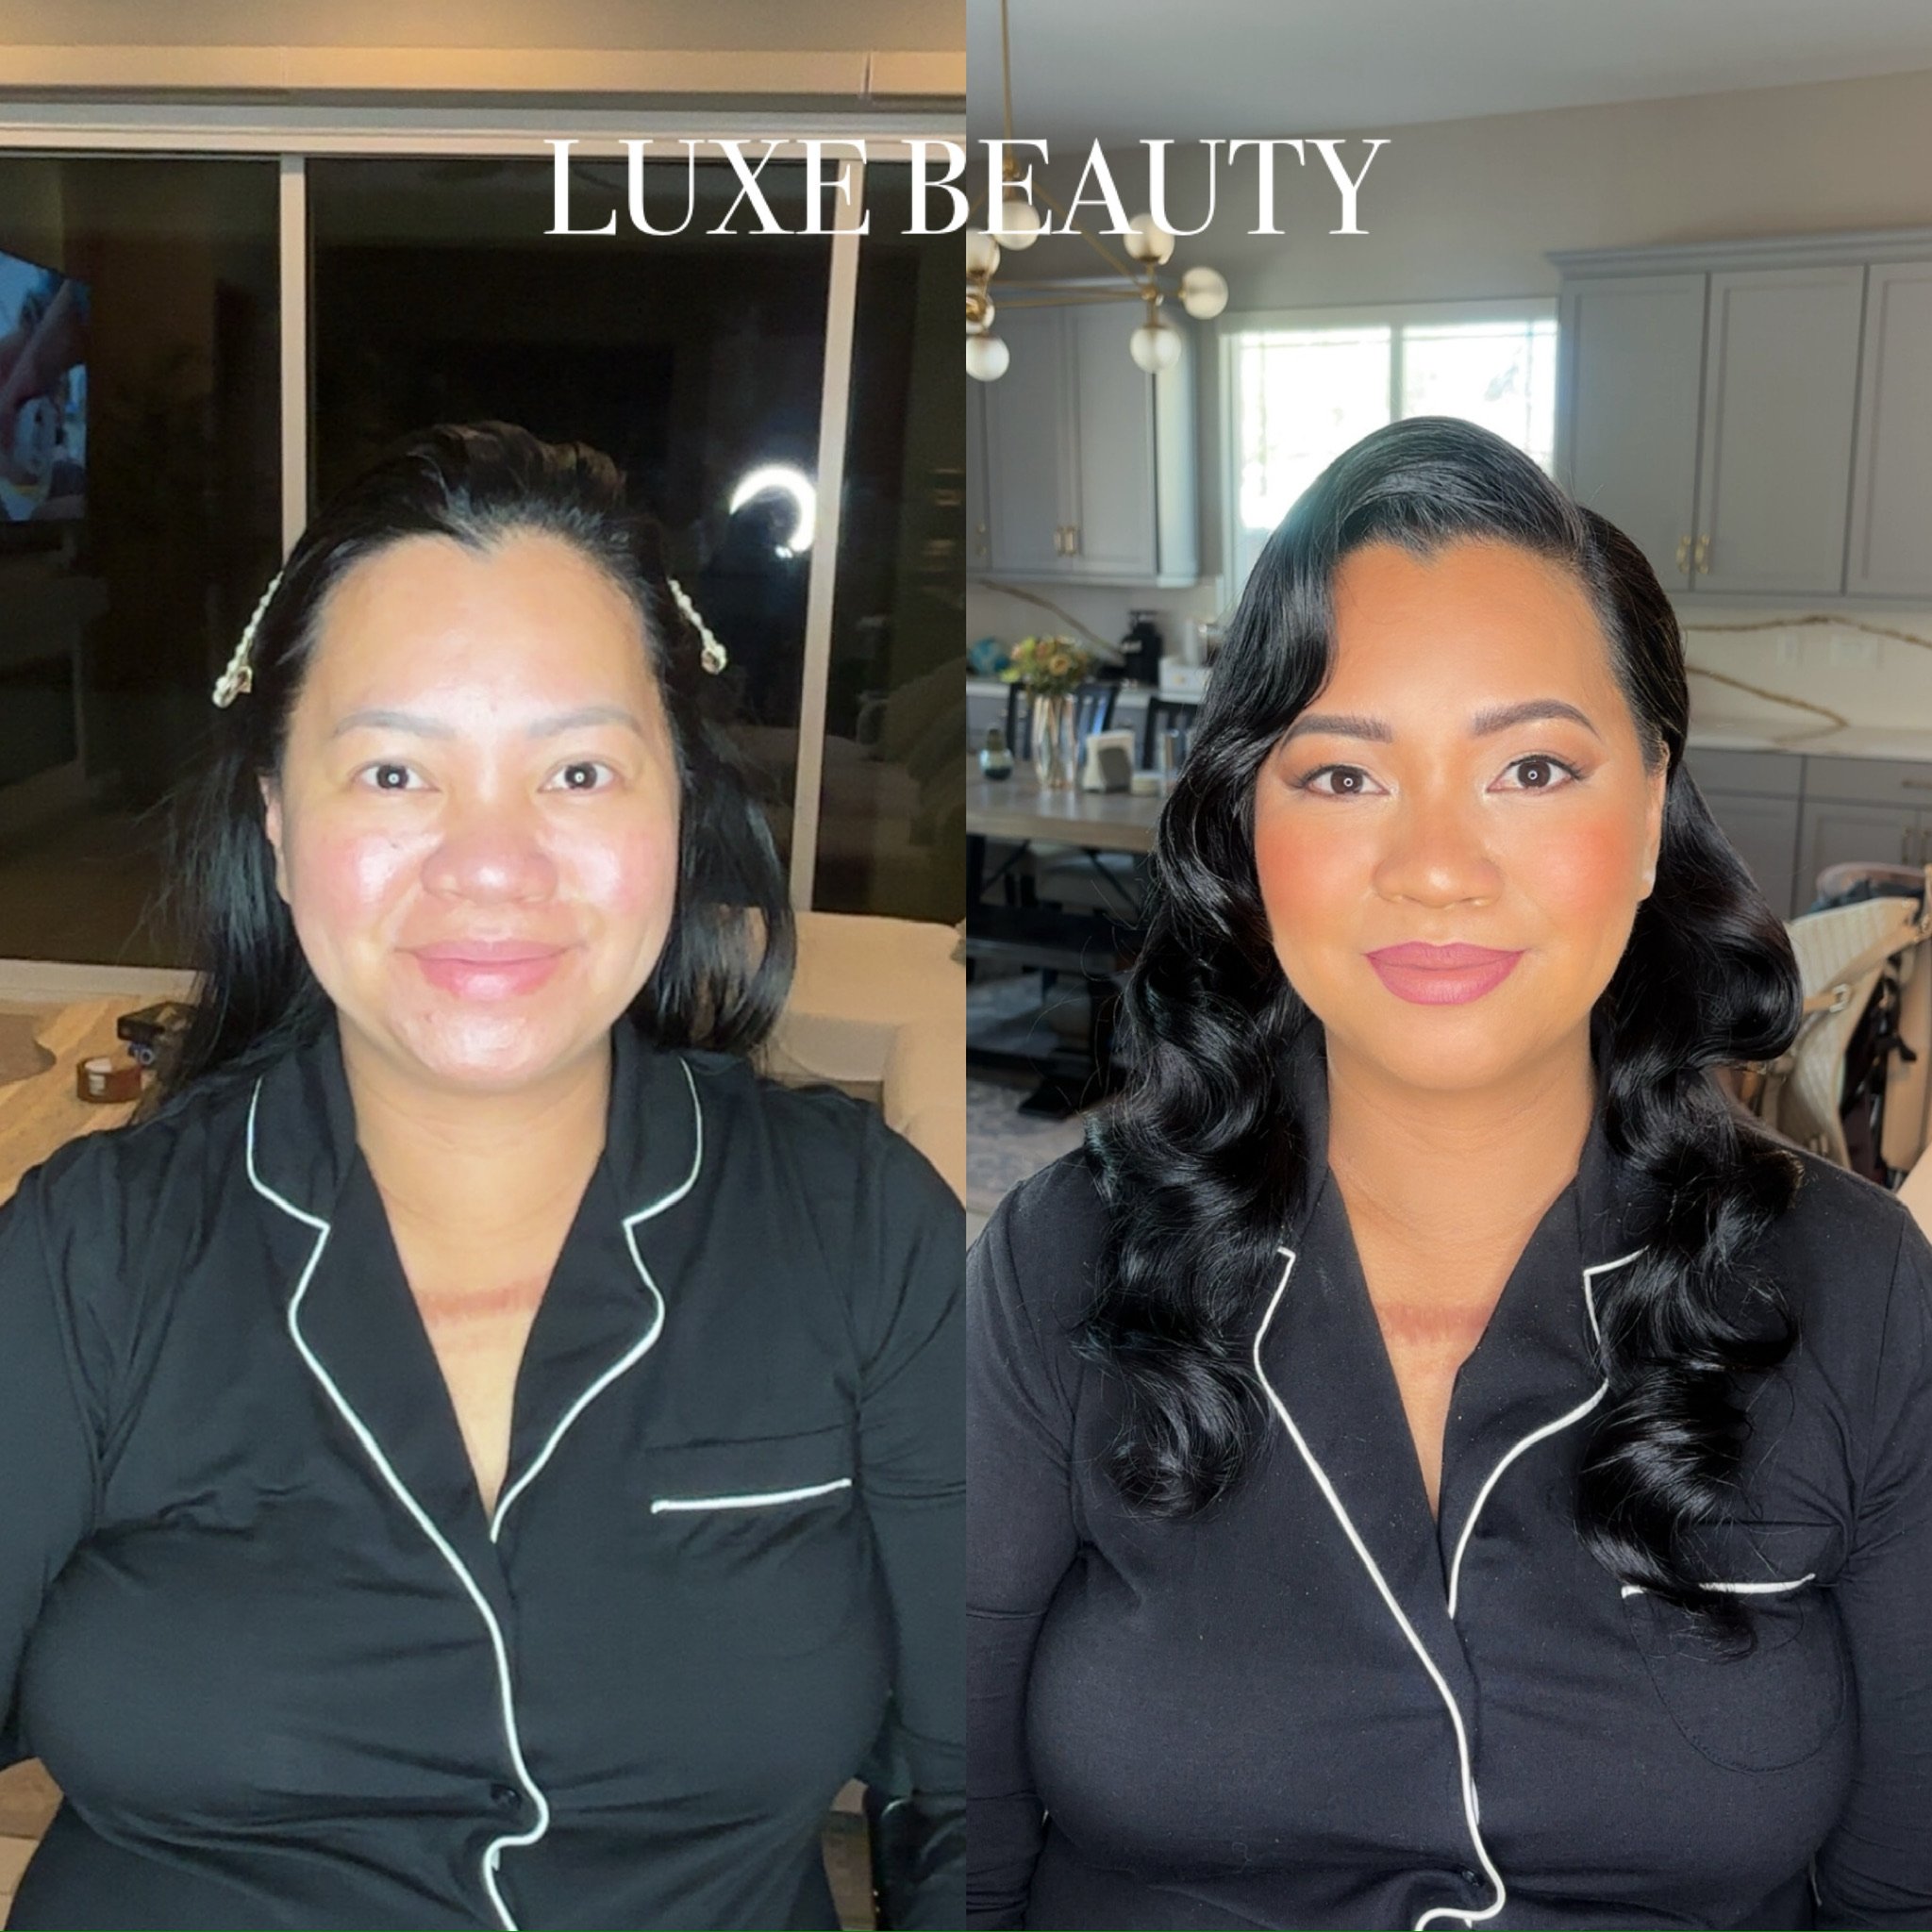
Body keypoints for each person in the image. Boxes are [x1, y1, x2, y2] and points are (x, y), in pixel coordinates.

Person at [967, 416, 1932, 1929]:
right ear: (1249, 825)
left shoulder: (1857, 1290)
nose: (1433, 863)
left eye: (1532, 767)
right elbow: (955, 1838)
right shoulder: (1056, 1262)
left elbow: (1903, 1885)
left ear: (1649, 810)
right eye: (1342, 777)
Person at [0, 421, 964, 1930]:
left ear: (680, 809)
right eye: (395, 770)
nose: (491, 863)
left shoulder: (865, 1238)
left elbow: (971, 1812)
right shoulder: (89, 1257)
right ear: (276, 813)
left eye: (578, 769)